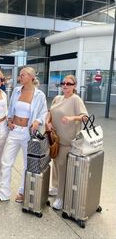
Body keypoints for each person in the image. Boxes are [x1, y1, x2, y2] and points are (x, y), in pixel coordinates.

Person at [0, 67, 48, 202]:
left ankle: (23, 191)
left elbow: (44, 112)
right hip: (14, 131)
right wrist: (9, 120)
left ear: (31, 77)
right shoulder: (17, 91)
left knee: (27, 164)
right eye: (20, 75)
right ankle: (4, 193)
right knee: (6, 162)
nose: (20, 77)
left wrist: (37, 121)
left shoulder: (39, 95)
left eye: (22, 75)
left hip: (28, 133)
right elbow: (11, 108)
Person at [45, 75, 88, 210]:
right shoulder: (58, 98)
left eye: (69, 84)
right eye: (63, 83)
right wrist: (47, 122)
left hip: (67, 140)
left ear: (74, 86)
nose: (65, 85)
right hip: (55, 138)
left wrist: (72, 118)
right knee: (56, 164)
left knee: (63, 167)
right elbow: (49, 112)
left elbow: (85, 117)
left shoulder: (76, 99)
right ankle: (56, 186)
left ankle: (61, 197)